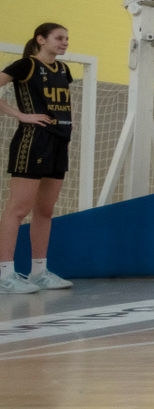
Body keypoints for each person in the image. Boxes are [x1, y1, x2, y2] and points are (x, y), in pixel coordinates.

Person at [0, 22, 74, 293]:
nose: (65, 42)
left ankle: (39, 272)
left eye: (67, 38)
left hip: (59, 141)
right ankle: (4, 275)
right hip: (33, 141)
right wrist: (20, 115)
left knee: (45, 210)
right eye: (59, 37)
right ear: (41, 39)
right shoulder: (25, 65)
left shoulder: (63, 70)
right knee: (18, 209)